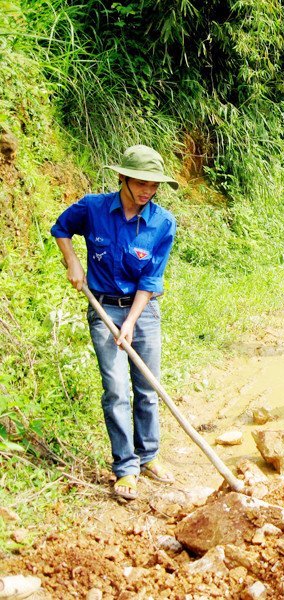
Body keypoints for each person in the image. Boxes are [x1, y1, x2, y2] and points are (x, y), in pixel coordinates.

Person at [51, 145, 179, 501]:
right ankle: (126, 467)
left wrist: (132, 321)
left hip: (143, 311)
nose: (147, 191)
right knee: (116, 390)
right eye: (141, 183)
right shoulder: (91, 208)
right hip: (103, 308)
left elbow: (151, 280)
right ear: (122, 177)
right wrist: (73, 261)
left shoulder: (162, 223)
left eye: (154, 186)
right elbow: (61, 228)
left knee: (147, 387)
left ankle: (149, 456)